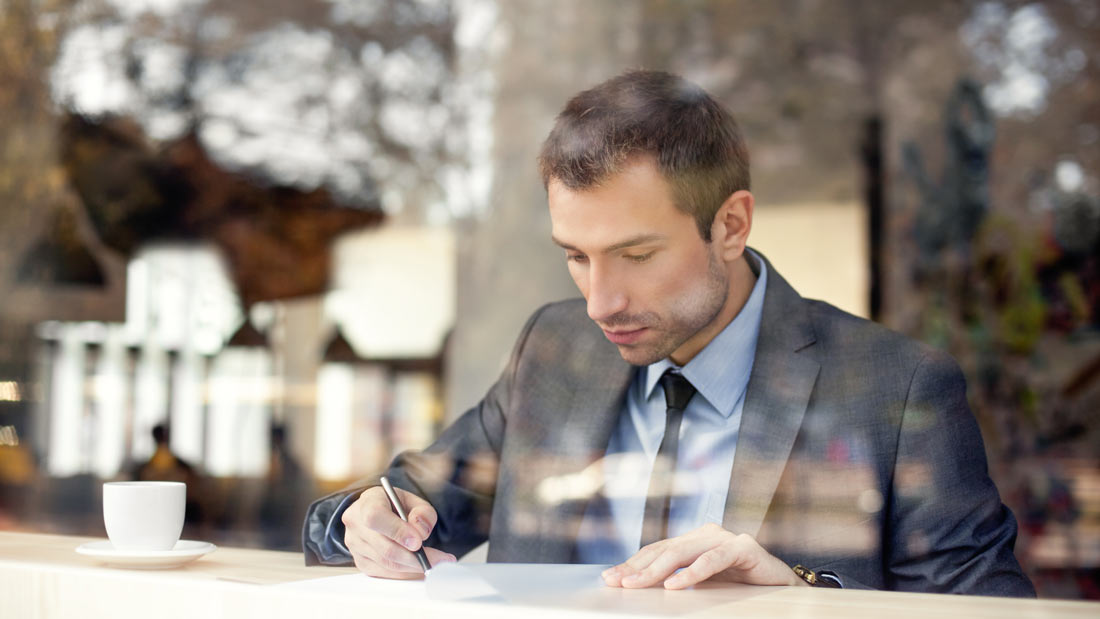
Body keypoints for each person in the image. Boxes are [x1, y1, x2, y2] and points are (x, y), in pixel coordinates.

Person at [303, 70, 1034, 596]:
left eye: (637, 255)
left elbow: (990, 610)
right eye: (576, 257)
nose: (600, 301)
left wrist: (800, 598)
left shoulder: (898, 389)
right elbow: (410, 500)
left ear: (731, 225)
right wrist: (362, 522)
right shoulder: (554, 348)